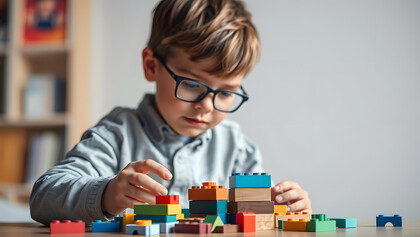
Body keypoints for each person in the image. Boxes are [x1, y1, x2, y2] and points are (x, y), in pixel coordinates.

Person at [30, 0, 311, 225]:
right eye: (191, 84)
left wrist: (286, 205)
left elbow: (264, 211)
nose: (206, 105)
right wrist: (106, 194)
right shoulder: (117, 134)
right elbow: (43, 195)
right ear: (152, 66)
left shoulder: (236, 147)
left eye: (225, 93)